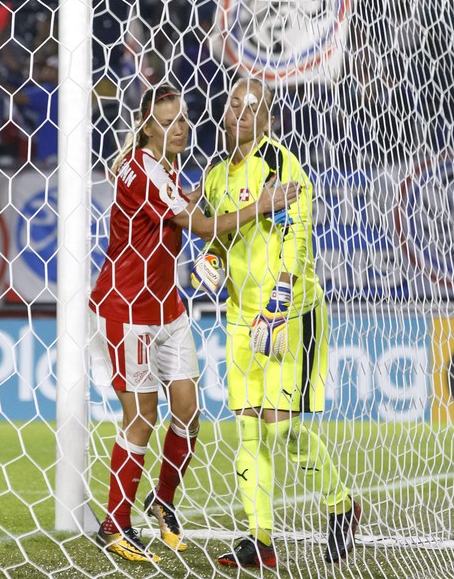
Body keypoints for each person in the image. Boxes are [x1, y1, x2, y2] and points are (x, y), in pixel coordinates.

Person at [89, 83, 299, 563]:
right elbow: (202, 227)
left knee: (187, 414)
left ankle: (161, 505)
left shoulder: (164, 169)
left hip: (169, 309)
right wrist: (262, 204)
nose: (181, 127)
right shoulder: (141, 171)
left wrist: (201, 186)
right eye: (168, 120)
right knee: (141, 417)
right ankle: (114, 524)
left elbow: (180, 203)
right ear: (146, 126)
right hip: (127, 310)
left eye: (182, 117)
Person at [201, 78, 361, 568]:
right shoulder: (215, 177)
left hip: (288, 313)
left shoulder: (278, 163)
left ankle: (342, 505)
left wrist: (282, 293)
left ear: (268, 117)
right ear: (225, 113)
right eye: (236, 104)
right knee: (248, 429)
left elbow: (297, 233)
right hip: (240, 317)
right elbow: (222, 237)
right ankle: (259, 540)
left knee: (280, 428)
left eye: (255, 106)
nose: (244, 112)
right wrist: (209, 261)